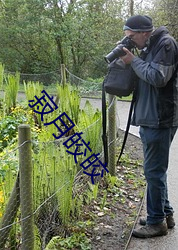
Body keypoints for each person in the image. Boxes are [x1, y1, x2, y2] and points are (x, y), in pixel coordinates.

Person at [120, 15, 178, 238]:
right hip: (150, 117)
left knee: (153, 171)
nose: (131, 41)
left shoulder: (166, 44)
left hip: (160, 118)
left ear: (144, 32)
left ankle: (156, 223)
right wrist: (130, 60)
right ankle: (165, 214)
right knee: (155, 171)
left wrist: (133, 61)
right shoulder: (149, 46)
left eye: (132, 37)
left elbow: (157, 77)